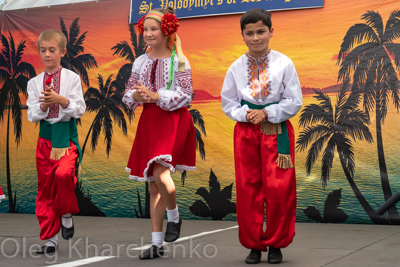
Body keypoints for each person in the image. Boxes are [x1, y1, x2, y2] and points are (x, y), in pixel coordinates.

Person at [221, 8, 302, 264]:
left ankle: (276, 243)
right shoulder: (235, 67)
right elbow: (228, 102)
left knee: (279, 189)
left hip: (276, 131)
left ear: (271, 32)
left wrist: (268, 113)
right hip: (246, 132)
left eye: (260, 31)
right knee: (248, 188)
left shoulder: (284, 63)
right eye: (250, 33)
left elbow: (294, 100)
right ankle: (253, 244)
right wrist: (246, 115)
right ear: (242, 36)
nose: (256, 37)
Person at [122, 7, 196, 260]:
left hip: (174, 120)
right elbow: (127, 92)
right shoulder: (140, 61)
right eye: (145, 29)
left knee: (159, 172)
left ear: (168, 31)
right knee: (154, 184)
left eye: (154, 29)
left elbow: (186, 94)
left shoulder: (180, 60)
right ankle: (156, 243)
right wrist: (136, 95)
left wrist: (156, 96)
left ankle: (174, 216)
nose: (149, 33)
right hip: (150, 121)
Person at [27, 29, 86, 254]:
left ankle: (67, 213)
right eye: (43, 50)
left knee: (63, 175)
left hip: (66, 138)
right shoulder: (34, 83)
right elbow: (31, 115)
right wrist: (43, 106)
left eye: (52, 50)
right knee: (45, 191)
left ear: (62, 51)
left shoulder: (72, 78)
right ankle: (50, 240)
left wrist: (61, 100)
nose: (47, 55)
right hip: (45, 140)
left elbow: (80, 109)